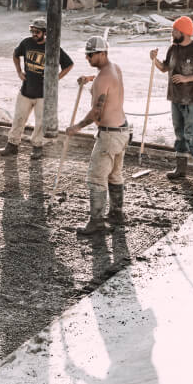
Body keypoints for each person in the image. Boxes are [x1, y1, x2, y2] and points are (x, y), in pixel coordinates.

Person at [67, 36, 127, 235]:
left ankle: (97, 221)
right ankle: (117, 213)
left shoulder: (103, 78)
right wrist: (89, 79)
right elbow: (107, 83)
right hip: (122, 130)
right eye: (87, 54)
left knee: (96, 177)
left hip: (109, 135)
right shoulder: (114, 68)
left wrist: (77, 127)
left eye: (91, 54)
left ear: (102, 53)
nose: (87, 58)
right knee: (115, 174)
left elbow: (96, 113)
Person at [149, 15, 193, 183]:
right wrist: (154, 60)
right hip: (175, 98)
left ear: (183, 32)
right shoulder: (173, 49)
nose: (172, 33)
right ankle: (181, 168)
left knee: (192, 133)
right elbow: (164, 68)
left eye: (175, 30)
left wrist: (187, 78)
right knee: (179, 133)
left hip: (191, 99)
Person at [0, 18, 74, 159]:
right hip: (26, 90)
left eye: (37, 32)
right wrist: (19, 72)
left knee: (40, 122)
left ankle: (37, 147)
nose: (34, 34)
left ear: (45, 33)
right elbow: (15, 55)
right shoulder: (26, 43)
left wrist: (55, 79)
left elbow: (69, 64)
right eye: (32, 31)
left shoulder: (53, 47)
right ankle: (12, 145)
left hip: (43, 94)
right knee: (18, 118)